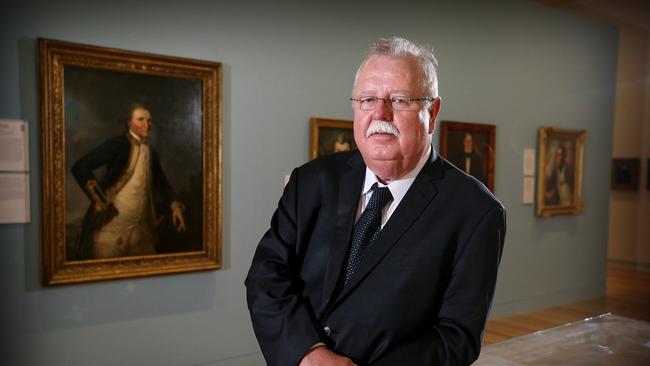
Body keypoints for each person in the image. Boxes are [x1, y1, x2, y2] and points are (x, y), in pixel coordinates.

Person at [246, 37, 506, 366]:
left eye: (399, 100)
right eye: (368, 99)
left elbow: (456, 338)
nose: (380, 113)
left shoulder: (476, 213)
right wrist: (309, 354)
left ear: (432, 111)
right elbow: (266, 275)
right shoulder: (311, 182)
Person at [71, 103, 186, 259]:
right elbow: (80, 167)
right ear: (129, 123)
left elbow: (162, 183)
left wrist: (175, 205)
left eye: (149, 120)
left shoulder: (151, 152)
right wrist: (101, 203)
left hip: (141, 232)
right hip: (111, 230)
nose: (147, 124)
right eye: (141, 119)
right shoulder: (117, 144)